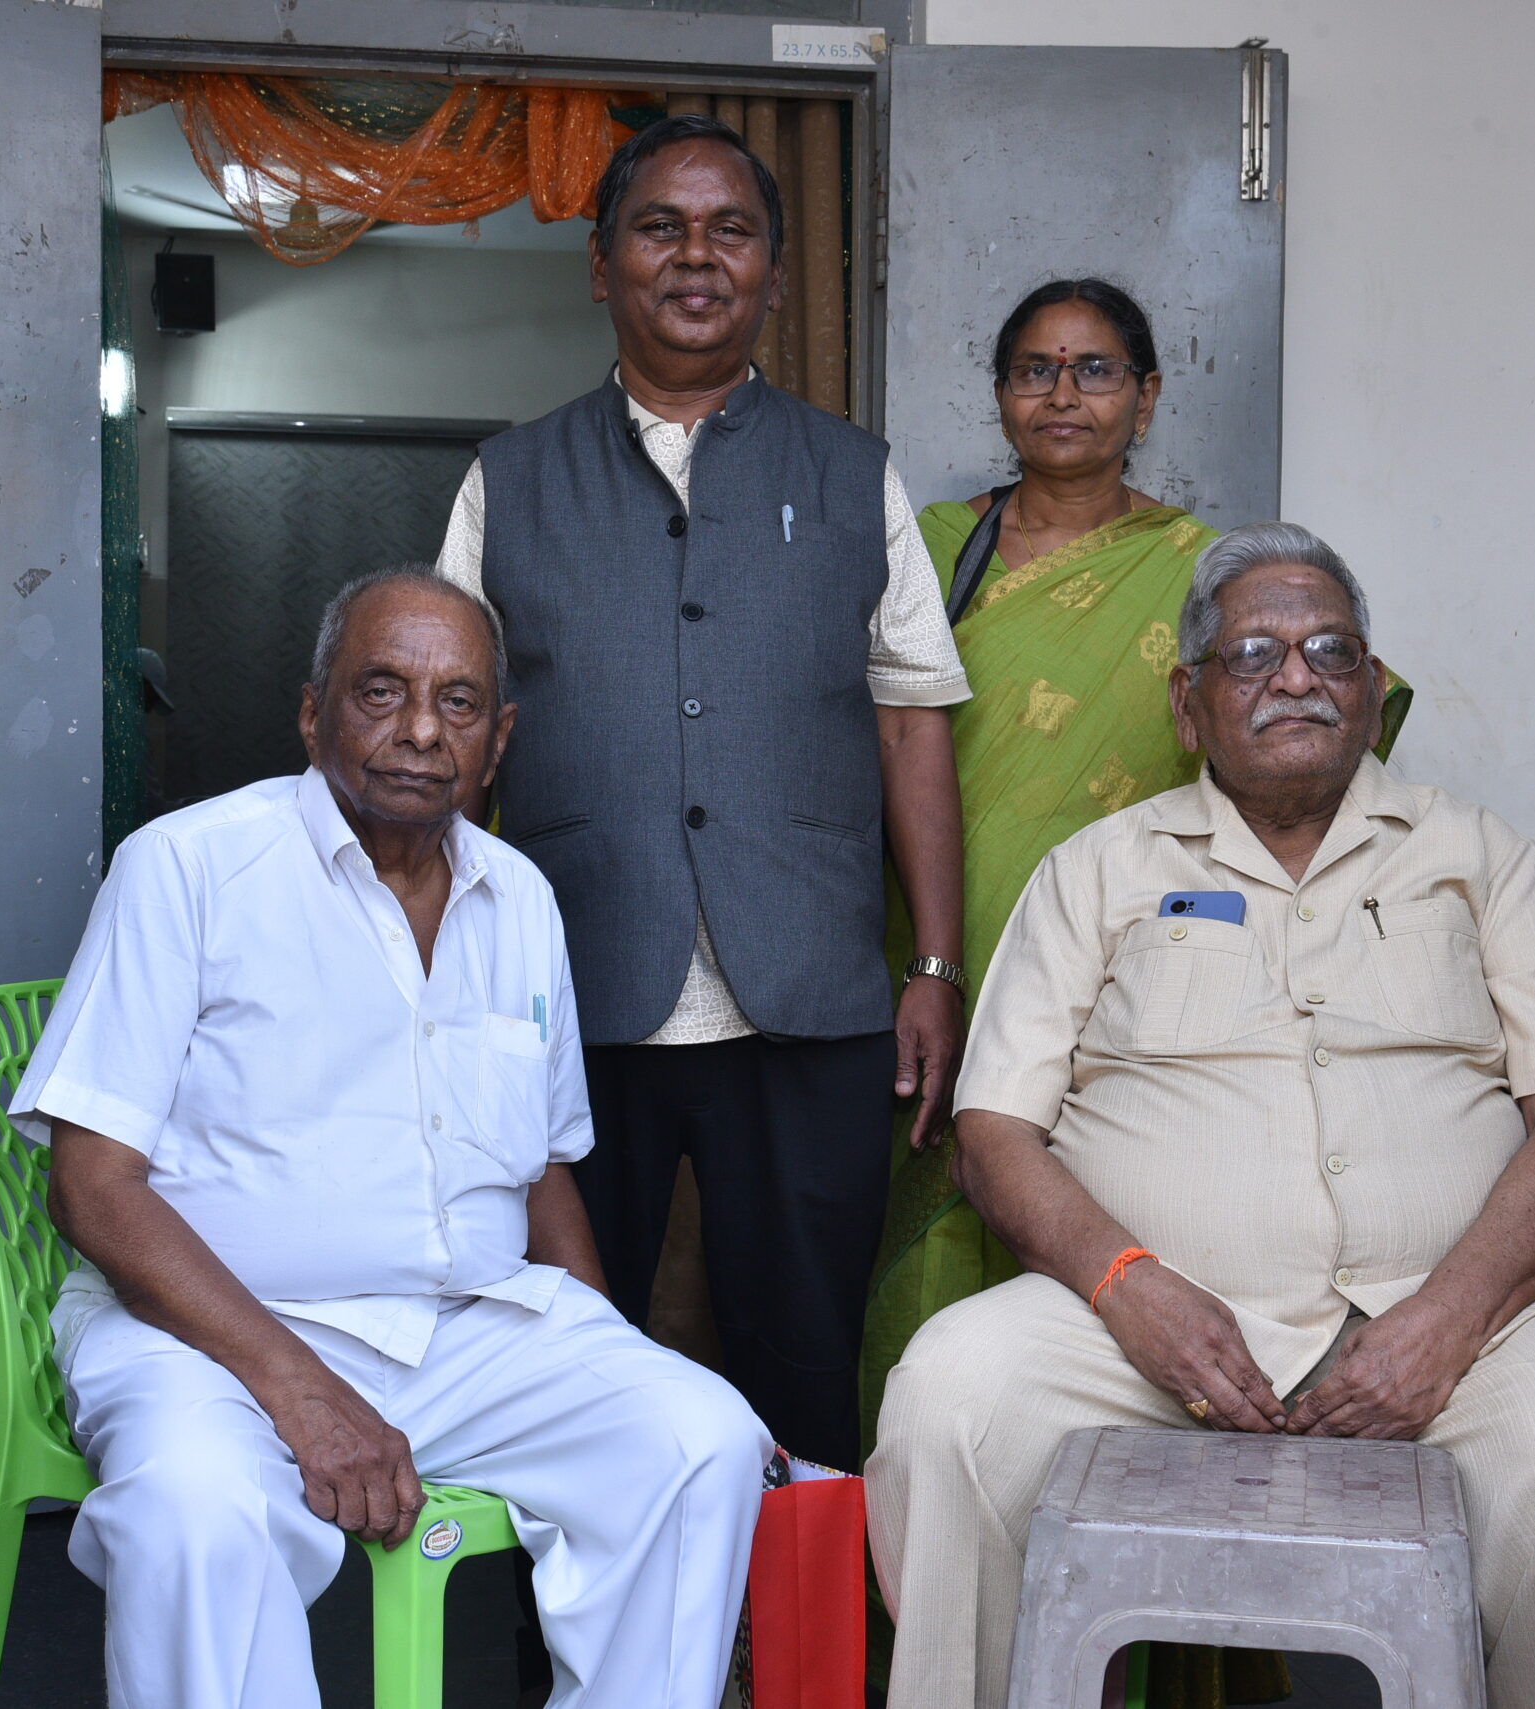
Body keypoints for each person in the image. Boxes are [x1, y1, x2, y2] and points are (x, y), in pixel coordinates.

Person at [867, 523, 1535, 1709]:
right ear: (1187, 704)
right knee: (949, 1402)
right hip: (1137, 1328)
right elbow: (992, 1132)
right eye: (1252, 653)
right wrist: (1127, 1286)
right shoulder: (1096, 870)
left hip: (1459, 1324)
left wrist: (1443, 1321)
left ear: (1371, 689)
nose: (1296, 676)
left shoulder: (1479, 857)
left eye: (1329, 650)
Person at [12, 567, 770, 1709]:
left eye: (458, 702)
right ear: (312, 713)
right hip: (211, 1332)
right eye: (381, 691)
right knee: (194, 1514)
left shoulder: (519, 897)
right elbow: (93, 1187)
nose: (420, 730)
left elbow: (541, 1173)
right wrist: (299, 1386)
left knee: (699, 1437)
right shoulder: (189, 865)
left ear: (498, 740)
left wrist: (608, 1357)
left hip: (464, 1331)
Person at [437, 113, 970, 1475]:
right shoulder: (508, 479)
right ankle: (573, 1617)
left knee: (803, 1359)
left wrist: (932, 964)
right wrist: (441, 973)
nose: (696, 256)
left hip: (809, 999)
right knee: (556, 1359)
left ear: (774, 277)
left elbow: (911, 720)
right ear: (599, 264)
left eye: (731, 230)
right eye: (658, 227)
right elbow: (443, 735)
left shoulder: (853, 474)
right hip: (572, 994)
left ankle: (788, 1610)